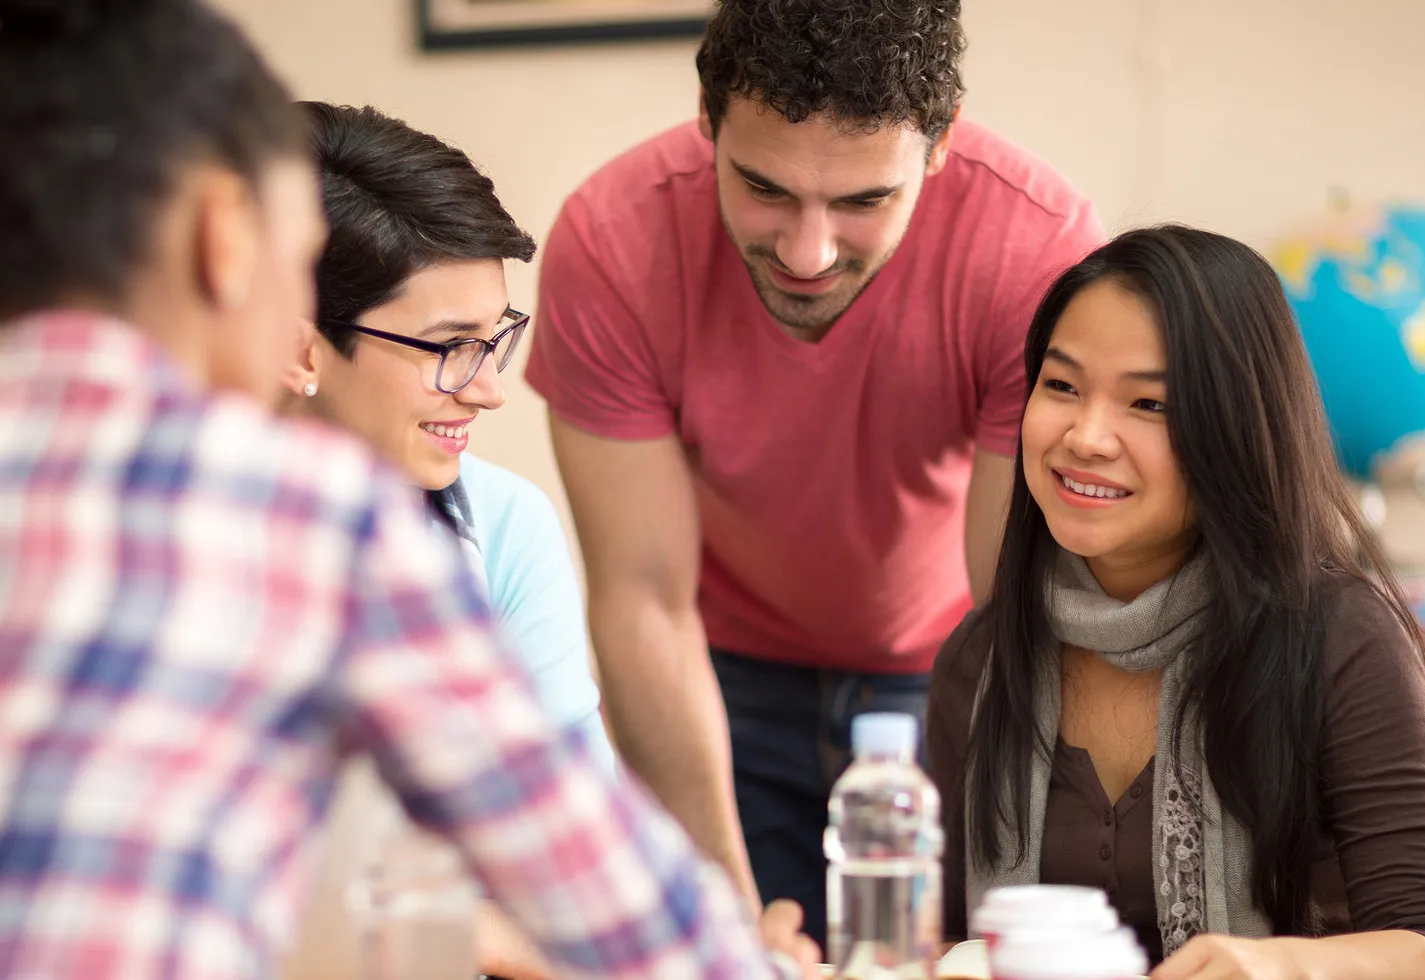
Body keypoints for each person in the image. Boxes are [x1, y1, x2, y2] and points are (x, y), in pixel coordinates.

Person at [0, 1, 818, 977]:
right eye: (292, 252)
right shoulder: (313, 516)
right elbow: (624, 914)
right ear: (226, 238)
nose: (486, 384)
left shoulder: (492, 520)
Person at [524, 0, 1105, 938]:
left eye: (865, 201)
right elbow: (640, 601)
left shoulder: (1035, 250)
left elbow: (1018, 609)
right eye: (764, 188)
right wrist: (721, 923)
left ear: (942, 143)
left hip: (954, 670)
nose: (809, 251)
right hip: (716, 682)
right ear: (707, 121)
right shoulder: (611, 242)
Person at [925, 226, 1425, 979]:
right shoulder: (984, 656)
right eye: (1061, 386)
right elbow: (950, 942)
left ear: (1238, 429)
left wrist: (1279, 969)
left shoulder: (1342, 636)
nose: (1086, 436)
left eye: (1149, 403)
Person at [279, 101, 614, 980]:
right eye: (447, 348)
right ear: (299, 348)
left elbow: (577, 850)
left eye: (494, 339)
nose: (489, 390)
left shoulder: (501, 527)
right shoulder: (142, 540)